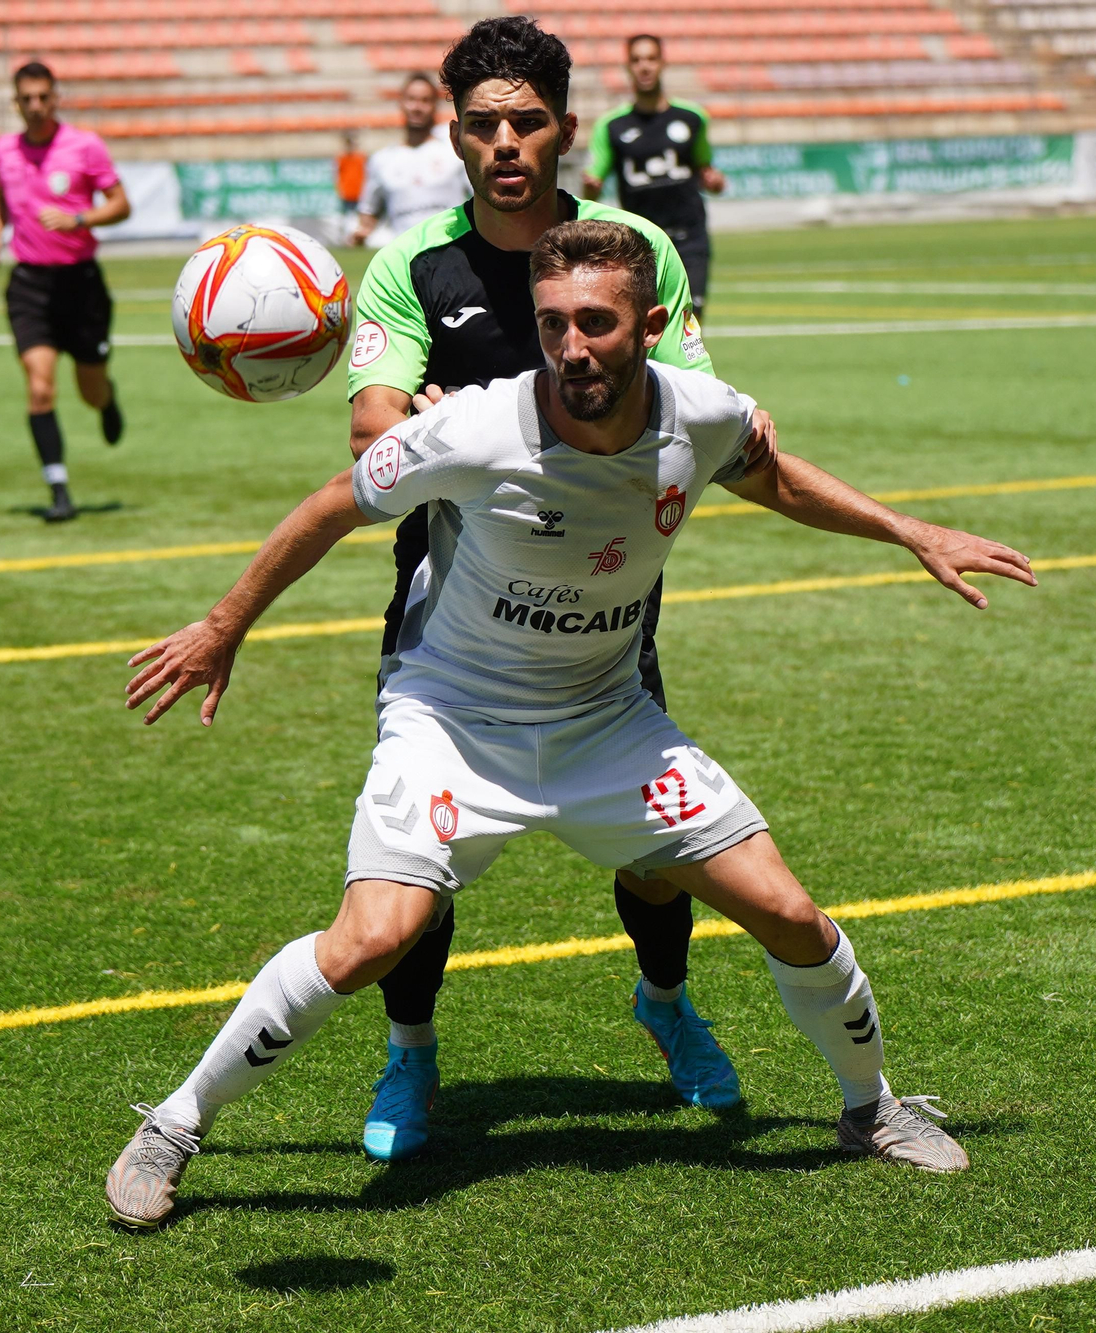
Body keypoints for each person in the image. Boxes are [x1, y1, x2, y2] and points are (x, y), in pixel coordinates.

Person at [104, 218, 1039, 1229]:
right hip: (453, 720)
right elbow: (334, 502)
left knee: (791, 917)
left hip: (605, 722)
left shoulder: (704, 415)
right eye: (553, 324)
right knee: (373, 936)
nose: (571, 347)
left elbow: (774, 475)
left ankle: (871, 1110)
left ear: (653, 323)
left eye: (595, 322)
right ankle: (173, 1125)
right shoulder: (472, 428)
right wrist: (223, 624)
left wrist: (910, 530)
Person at [342, 15, 774, 1167]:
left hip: (602, 599)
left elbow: (688, 389)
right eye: (482, 125)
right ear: (455, 135)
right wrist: (416, 419)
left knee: (653, 851)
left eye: (525, 121)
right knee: (418, 871)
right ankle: (413, 1050)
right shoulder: (410, 266)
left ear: (562, 129)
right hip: (447, 610)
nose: (504, 144)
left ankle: (666, 1003)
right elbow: (368, 420)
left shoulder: (630, 249)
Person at [0, 61, 132, 523]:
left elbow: (122, 205)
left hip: (81, 285)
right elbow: (4, 195)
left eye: (43, 97)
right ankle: (59, 489)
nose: (36, 107)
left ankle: (107, 399)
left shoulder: (85, 146)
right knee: (40, 389)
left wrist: (79, 219)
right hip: (29, 285)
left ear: (56, 97)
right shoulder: (4, 149)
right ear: (16, 102)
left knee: (89, 390)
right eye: (27, 99)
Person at [581, 35, 726, 315]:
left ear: (662, 63)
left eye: (650, 58)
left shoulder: (693, 118)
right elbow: (592, 186)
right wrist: (591, 185)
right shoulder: (611, 126)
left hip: (689, 239)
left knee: (689, 319)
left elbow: (706, 171)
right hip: (640, 243)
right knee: (645, 324)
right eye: (636, 60)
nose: (644, 66)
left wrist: (715, 181)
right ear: (628, 67)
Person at [347, 73, 470, 248]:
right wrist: (361, 232)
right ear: (401, 103)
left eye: (425, 100)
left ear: (435, 105)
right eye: (411, 99)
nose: (417, 107)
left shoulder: (455, 152)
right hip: (404, 257)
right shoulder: (382, 160)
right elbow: (369, 212)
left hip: (452, 250)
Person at [335, 131, 367, 222]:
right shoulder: (342, 158)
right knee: (346, 219)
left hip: (359, 193)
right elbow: (338, 174)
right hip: (347, 194)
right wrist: (340, 189)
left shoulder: (360, 157)